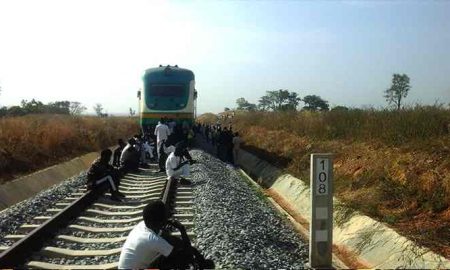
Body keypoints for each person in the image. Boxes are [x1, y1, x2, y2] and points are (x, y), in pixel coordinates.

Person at [118, 200, 213, 269]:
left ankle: (202, 262)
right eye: (165, 218)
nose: (167, 220)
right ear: (160, 222)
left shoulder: (142, 226)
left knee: (171, 253)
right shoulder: (153, 240)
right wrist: (182, 230)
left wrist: (198, 256)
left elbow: (174, 241)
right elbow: (185, 256)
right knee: (178, 261)